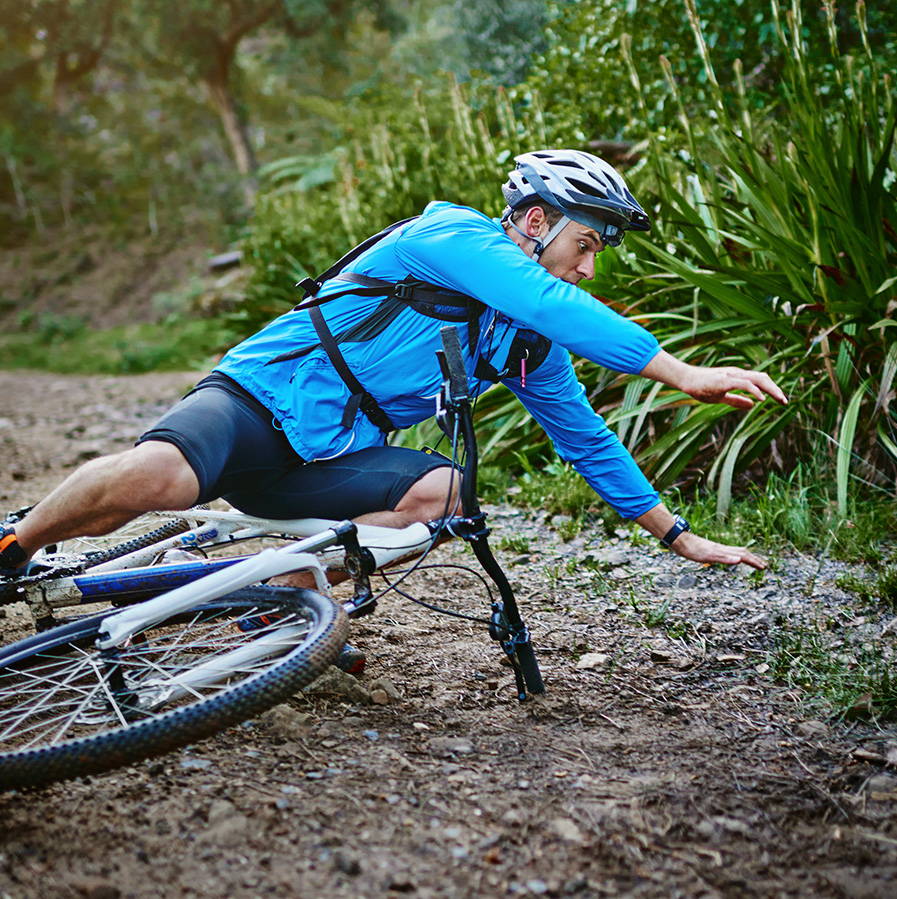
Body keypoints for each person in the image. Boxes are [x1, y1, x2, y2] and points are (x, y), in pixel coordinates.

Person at [1, 149, 787, 586]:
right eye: (584, 246)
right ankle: (17, 543)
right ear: (537, 221)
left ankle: (283, 611)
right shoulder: (450, 236)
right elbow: (552, 303)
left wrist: (675, 535)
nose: (586, 269)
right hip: (256, 400)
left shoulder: (523, 343)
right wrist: (678, 370)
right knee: (159, 480)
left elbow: (584, 439)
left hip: (329, 457)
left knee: (447, 493)